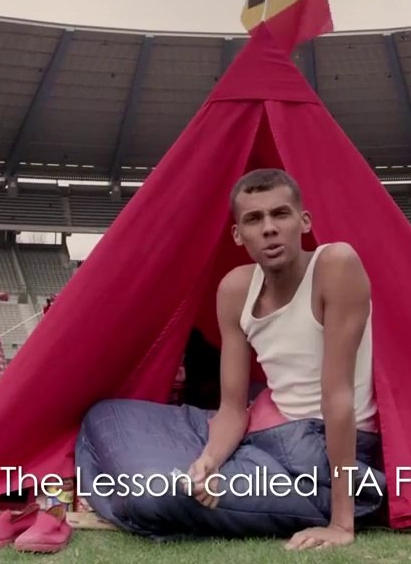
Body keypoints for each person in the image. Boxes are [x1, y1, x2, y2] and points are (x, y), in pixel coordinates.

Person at [73, 168, 384, 550]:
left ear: (303, 222)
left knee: (153, 495)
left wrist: (341, 524)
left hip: (318, 449)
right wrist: (210, 460)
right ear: (239, 235)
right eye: (254, 219)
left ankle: (350, 497)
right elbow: (233, 408)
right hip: (266, 430)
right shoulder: (237, 288)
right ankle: (220, 473)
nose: (269, 228)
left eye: (280, 214)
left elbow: (337, 398)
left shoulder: (335, 265)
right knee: (107, 414)